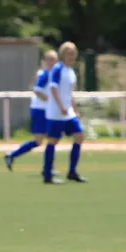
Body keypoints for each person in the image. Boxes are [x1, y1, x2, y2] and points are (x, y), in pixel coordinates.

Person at [5, 50, 58, 171]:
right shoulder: (43, 74)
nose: (53, 62)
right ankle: (12, 155)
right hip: (41, 110)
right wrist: (51, 101)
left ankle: (48, 167)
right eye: (50, 59)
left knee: (51, 138)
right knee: (42, 140)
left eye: (55, 60)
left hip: (46, 110)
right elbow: (37, 90)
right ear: (45, 61)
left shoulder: (51, 74)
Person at [42, 41, 87, 184]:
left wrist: (74, 109)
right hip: (56, 111)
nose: (71, 56)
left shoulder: (71, 71)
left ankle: (72, 172)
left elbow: (69, 93)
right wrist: (61, 106)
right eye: (69, 53)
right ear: (63, 54)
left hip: (68, 112)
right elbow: (53, 89)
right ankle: (47, 175)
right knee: (53, 141)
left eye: (73, 53)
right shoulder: (58, 68)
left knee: (79, 136)